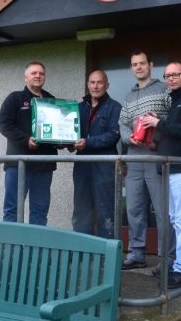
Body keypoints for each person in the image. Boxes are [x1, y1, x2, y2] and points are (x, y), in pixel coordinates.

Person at [142, 61, 181, 289]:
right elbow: (172, 134)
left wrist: (158, 122)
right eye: (167, 75)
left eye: (175, 75)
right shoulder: (175, 103)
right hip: (169, 168)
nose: (171, 79)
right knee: (173, 218)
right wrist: (154, 139)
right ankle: (176, 265)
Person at [119, 49, 176, 272]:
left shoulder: (164, 90)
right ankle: (137, 253)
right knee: (133, 209)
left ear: (151, 65)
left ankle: (166, 258)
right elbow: (123, 123)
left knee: (162, 211)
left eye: (142, 63)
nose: (138, 68)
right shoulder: (129, 96)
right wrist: (128, 136)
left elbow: (173, 118)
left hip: (156, 157)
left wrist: (158, 127)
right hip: (134, 158)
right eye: (134, 64)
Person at [0, 61, 57, 226]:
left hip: (44, 165)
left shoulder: (51, 100)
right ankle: (10, 250)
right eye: (34, 73)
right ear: (26, 77)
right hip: (18, 164)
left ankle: (34, 251)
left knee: (40, 211)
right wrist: (25, 140)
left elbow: (56, 129)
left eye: (41, 73)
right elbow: (4, 125)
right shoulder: (15, 98)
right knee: (12, 210)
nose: (38, 76)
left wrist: (61, 141)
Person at [72, 70, 122, 238]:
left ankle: (106, 254)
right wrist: (66, 142)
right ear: (88, 85)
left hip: (104, 166)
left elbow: (113, 135)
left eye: (100, 82)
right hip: (82, 165)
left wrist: (87, 142)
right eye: (92, 82)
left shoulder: (114, 107)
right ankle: (82, 251)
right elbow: (71, 133)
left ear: (106, 85)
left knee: (105, 210)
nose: (96, 86)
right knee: (81, 209)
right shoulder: (79, 107)